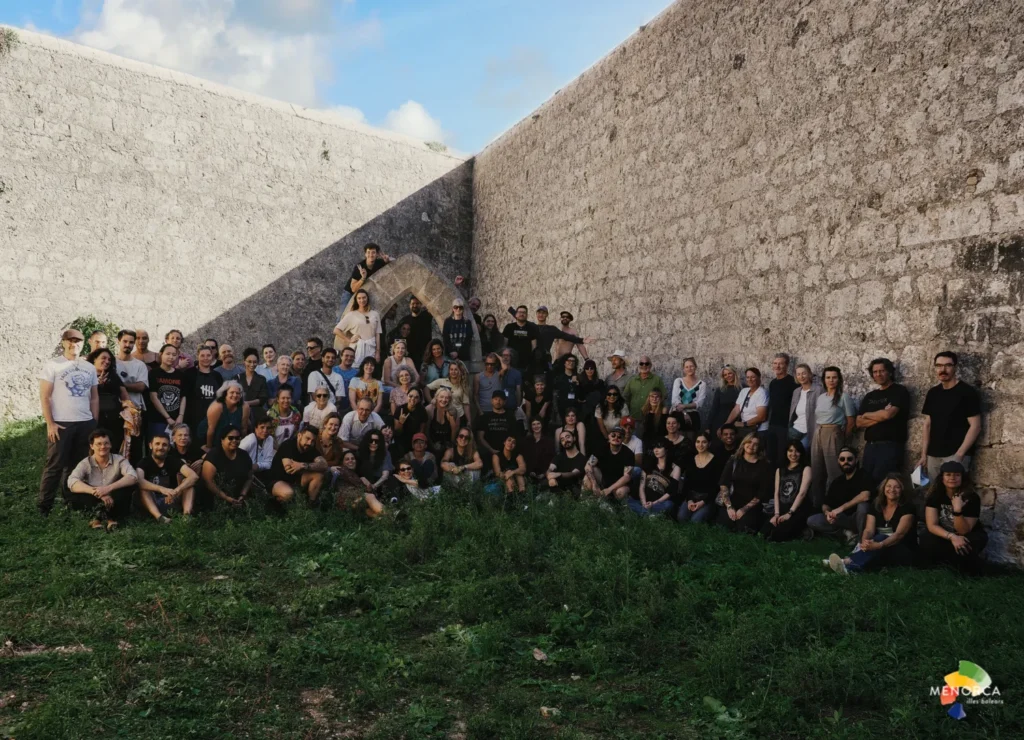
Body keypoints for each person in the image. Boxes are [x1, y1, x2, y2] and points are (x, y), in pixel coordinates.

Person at [38, 328, 100, 516]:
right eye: (70, 340)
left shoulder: (89, 367)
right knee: (55, 466)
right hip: (62, 423)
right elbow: (45, 396)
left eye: (78, 341)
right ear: (64, 343)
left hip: (85, 423)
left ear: (83, 343)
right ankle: (44, 507)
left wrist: (94, 421)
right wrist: (50, 423)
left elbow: (94, 397)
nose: (74, 344)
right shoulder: (53, 365)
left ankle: (72, 503)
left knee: (77, 466)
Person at [826, 474, 917, 574]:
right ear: (884, 488)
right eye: (889, 486)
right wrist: (865, 542)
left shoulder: (908, 508)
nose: (892, 489)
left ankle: (848, 565)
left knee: (881, 538)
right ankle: (848, 564)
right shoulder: (876, 505)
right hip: (881, 547)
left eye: (897, 487)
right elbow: (869, 530)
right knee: (874, 545)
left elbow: (899, 535)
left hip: (902, 548)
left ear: (902, 489)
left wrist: (879, 545)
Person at [918, 352, 982, 482]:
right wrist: (924, 455)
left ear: (955, 367)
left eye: (948, 365)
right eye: (939, 366)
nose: (943, 369)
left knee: (955, 491)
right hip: (933, 455)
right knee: (932, 490)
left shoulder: (967, 392)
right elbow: (927, 425)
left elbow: (976, 426)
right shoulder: (933, 393)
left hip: (955, 454)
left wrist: (959, 455)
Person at [920, 460, 987, 572]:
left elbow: (963, 531)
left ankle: (962, 567)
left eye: (957, 475)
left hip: (968, 534)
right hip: (945, 533)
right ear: (942, 478)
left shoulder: (972, 498)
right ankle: (938, 565)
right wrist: (952, 537)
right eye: (948, 474)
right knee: (926, 537)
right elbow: (932, 525)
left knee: (965, 546)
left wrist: (957, 510)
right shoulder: (935, 496)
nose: (952, 478)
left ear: (962, 478)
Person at [66, 428, 136, 530]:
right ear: (92, 446)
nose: (103, 447)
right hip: (93, 498)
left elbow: (133, 476)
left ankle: (101, 519)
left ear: (110, 445)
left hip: (112, 498)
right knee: (76, 490)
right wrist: (96, 492)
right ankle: (105, 519)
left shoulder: (119, 460)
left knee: (127, 487)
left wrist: (108, 489)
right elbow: (72, 481)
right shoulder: (85, 463)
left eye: (106, 443)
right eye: (98, 444)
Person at [856, 358, 911, 485]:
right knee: (867, 483)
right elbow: (858, 422)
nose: (878, 374)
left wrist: (867, 415)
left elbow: (888, 414)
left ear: (890, 372)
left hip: (890, 446)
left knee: (885, 483)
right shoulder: (870, 396)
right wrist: (880, 416)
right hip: (870, 447)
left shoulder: (899, 391)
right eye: (875, 372)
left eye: (882, 371)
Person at [809, 366, 856, 510]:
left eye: (834, 377)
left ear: (839, 379)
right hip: (818, 432)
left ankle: (836, 506)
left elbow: (851, 421)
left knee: (834, 471)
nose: (831, 380)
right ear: (824, 380)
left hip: (833, 433)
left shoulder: (843, 397)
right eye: (828, 377)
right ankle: (817, 506)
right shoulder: (821, 397)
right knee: (817, 470)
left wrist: (842, 439)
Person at [807, 447, 872, 542]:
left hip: (858, 518)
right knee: (812, 520)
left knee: (863, 507)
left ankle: (860, 540)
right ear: (838, 461)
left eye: (849, 459)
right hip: (841, 519)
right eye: (842, 459)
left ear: (856, 460)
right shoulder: (837, 481)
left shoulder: (863, 475)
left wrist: (841, 508)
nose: (846, 462)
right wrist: (827, 513)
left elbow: (866, 495)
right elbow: (826, 504)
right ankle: (846, 533)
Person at [137, 431, 199, 522]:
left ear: (169, 448)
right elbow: (139, 481)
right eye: (157, 444)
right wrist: (162, 489)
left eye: (164, 445)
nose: (160, 447)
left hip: (171, 499)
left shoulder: (173, 460)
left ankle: (186, 517)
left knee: (189, 486)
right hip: (152, 501)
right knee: (143, 489)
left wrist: (176, 490)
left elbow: (193, 476)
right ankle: (160, 518)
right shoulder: (144, 462)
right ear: (150, 445)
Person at [715, 434, 772, 533]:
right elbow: (724, 484)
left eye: (755, 444)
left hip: (751, 505)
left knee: (744, 528)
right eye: (749, 442)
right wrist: (729, 507)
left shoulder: (764, 465)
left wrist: (744, 509)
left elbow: (762, 492)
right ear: (744, 443)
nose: (751, 445)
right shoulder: (734, 460)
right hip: (732, 501)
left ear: (759, 447)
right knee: (725, 526)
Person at [760, 442, 813, 541]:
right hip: (782, 508)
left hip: (798, 509)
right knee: (764, 532)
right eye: (790, 451)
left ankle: (804, 531)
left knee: (777, 535)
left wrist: (790, 513)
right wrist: (776, 514)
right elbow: (776, 493)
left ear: (801, 453)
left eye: (797, 451)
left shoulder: (806, 469)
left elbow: (802, 493)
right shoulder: (780, 470)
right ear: (786, 452)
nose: (793, 454)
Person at [268, 424, 328, 508]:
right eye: (307, 438)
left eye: (313, 441)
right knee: (288, 493)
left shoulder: (310, 448)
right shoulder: (288, 445)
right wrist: (311, 467)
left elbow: (324, 465)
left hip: (296, 480)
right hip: (278, 480)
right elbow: (289, 469)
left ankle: (311, 505)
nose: (310, 443)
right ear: (299, 435)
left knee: (319, 475)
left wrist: (303, 465)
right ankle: (274, 503)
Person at [89, 347, 130, 454]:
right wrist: (97, 384)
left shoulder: (114, 376)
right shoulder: (86, 375)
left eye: (109, 360)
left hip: (114, 419)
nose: (107, 361)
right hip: (94, 419)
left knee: (113, 448)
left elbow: (125, 395)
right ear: (94, 359)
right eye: (103, 358)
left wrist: (128, 412)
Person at [202, 426, 253, 509]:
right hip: (216, 498)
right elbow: (208, 482)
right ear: (222, 439)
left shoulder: (244, 455)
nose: (234, 441)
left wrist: (242, 495)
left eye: (237, 438)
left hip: (239, 498)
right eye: (230, 438)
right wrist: (226, 498)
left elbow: (249, 478)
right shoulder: (213, 455)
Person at [146, 345, 189, 440]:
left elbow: (183, 397)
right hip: (158, 419)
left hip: (177, 419)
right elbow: (153, 397)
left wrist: (181, 416)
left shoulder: (181, 375)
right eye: (168, 354)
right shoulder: (153, 373)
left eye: (174, 354)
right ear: (161, 354)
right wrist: (167, 417)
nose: (171, 357)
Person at [678, 432, 721, 524]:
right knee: (681, 518)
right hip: (692, 496)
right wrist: (689, 500)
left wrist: (702, 502)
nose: (700, 445)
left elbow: (717, 487)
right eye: (698, 442)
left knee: (695, 521)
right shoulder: (691, 459)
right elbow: (686, 483)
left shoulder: (716, 461)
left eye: (704, 442)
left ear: (709, 444)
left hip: (708, 498)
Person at [583, 426, 635, 501]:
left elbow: (627, 477)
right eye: (613, 435)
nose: (616, 438)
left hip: (619, 483)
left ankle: (615, 505)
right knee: (588, 476)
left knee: (621, 492)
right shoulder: (601, 448)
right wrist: (594, 484)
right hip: (603, 479)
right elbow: (587, 466)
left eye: (619, 436)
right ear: (609, 436)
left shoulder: (628, 453)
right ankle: (585, 501)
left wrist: (609, 489)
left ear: (623, 439)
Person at [533, 306, 589, 374]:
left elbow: (570, 338)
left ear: (547, 314)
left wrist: (582, 341)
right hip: (544, 361)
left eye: (543, 313)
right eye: (539, 312)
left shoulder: (553, 329)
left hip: (554, 361)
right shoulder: (532, 327)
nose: (541, 314)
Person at [198, 380, 250, 454]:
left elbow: (244, 428)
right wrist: (209, 448)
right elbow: (211, 430)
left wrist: (240, 446)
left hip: (232, 440)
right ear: (224, 394)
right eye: (232, 392)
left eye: (238, 393)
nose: (235, 395)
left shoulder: (245, 407)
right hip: (209, 438)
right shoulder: (217, 407)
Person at [766, 354, 798, 468]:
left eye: (780, 363)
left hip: (785, 427)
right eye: (775, 363)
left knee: (782, 457)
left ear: (787, 365)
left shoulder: (793, 382)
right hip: (772, 425)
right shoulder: (773, 383)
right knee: (770, 457)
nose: (777, 366)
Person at [631, 438, 678, 516]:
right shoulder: (648, 465)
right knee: (629, 500)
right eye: (654, 447)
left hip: (659, 503)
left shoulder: (675, 468)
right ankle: (649, 514)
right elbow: (641, 487)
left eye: (659, 447)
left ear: (666, 449)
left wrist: (653, 503)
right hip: (644, 501)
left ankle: (644, 513)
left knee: (669, 505)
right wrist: (644, 503)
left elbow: (671, 492)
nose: (656, 450)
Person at [334, 289, 383, 365]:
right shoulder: (351, 314)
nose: (362, 300)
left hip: (371, 348)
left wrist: (378, 352)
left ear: (367, 298)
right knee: (355, 368)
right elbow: (336, 330)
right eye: (359, 298)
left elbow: (377, 334)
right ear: (356, 300)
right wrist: (349, 340)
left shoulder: (375, 314)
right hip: (356, 348)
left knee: (370, 368)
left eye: (364, 297)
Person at [725, 367, 768, 442]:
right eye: (748, 377)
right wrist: (726, 425)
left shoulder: (762, 393)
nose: (750, 379)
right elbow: (736, 410)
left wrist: (743, 424)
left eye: (753, 377)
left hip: (758, 430)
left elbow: (761, 417)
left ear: (759, 378)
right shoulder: (744, 391)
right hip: (745, 430)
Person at [475, 390, 520, 464]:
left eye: (500, 399)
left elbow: (514, 436)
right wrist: (491, 450)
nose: (498, 401)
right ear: (491, 401)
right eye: (495, 399)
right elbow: (480, 438)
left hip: (506, 453)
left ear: (504, 402)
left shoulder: (510, 417)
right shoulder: (484, 417)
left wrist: (506, 450)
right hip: (488, 452)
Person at [114, 329, 149, 421]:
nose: (128, 345)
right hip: (114, 409)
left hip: (134, 410)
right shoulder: (111, 362)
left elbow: (141, 387)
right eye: (125, 341)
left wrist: (119, 385)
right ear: (118, 341)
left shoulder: (140, 365)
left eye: (131, 342)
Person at [622, 356, 667, 424]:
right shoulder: (632, 380)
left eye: (647, 363)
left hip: (651, 419)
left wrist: (655, 409)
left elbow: (664, 396)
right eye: (641, 363)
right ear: (639, 365)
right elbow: (625, 397)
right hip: (634, 418)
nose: (644, 365)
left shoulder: (657, 380)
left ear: (650, 365)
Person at [669, 358, 706, 433]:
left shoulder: (701, 384)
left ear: (695, 367)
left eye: (691, 366)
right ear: (684, 369)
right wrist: (685, 413)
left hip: (693, 414)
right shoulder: (678, 381)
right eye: (687, 367)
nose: (689, 369)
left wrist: (684, 406)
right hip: (678, 413)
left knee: (691, 436)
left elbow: (699, 403)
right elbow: (675, 401)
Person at [788, 363, 819, 452]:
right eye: (798, 374)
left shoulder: (818, 390)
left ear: (809, 374)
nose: (801, 376)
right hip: (795, 430)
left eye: (804, 373)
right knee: (793, 455)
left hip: (809, 432)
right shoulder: (796, 391)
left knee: (803, 454)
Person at [239, 413, 276, 484]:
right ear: (255, 428)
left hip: (260, 474)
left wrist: (257, 466)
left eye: (268, 428)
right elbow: (237, 458)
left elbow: (268, 463)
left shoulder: (269, 439)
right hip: (246, 475)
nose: (265, 431)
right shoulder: (250, 440)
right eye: (262, 427)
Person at [392, 388, 428, 457]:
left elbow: (421, 431)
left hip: (415, 439)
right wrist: (401, 422)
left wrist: (416, 443)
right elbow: (397, 432)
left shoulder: (422, 411)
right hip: (401, 438)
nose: (413, 399)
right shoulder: (400, 409)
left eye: (416, 397)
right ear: (407, 396)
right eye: (410, 396)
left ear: (419, 399)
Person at [502, 306, 538, 374]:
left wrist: (533, 361)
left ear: (527, 315)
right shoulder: (509, 327)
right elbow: (504, 345)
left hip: (526, 364)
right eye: (520, 312)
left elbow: (534, 347)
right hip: (511, 363)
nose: (522, 314)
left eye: (524, 312)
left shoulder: (532, 328)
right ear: (516, 314)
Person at [708, 365, 741, 438]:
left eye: (729, 373)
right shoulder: (720, 390)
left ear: (734, 373)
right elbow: (714, 409)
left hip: (737, 423)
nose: (727, 376)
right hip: (720, 422)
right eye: (725, 375)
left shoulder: (743, 388)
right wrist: (707, 426)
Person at [401, 295, 434, 369]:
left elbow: (433, 303)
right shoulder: (405, 320)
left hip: (425, 354)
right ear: (409, 305)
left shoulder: (427, 316)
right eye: (413, 303)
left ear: (421, 305)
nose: (415, 305)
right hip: (410, 355)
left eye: (417, 303)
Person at [425, 387, 458, 458]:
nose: (444, 400)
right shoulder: (429, 409)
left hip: (446, 443)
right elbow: (426, 430)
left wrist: (450, 445)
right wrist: (431, 445)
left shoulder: (452, 411)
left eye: (447, 398)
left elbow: (454, 430)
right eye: (441, 397)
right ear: (436, 397)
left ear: (450, 399)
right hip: (431, 442)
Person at [522, 418, 556, 484]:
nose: (536, 426)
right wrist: (530, 471)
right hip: (529, 473)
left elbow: (552, 458)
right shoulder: (526, 441)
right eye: (533, 424)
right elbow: (525, 458)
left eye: (538, 424)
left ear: (542, 425)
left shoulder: (549, 441)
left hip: (545, 473)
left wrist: (544, 473)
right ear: (531, 426)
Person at [443, 297, 475, 362]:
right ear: (453, 308)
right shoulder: (448, 321)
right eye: (456, 307)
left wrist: (458, 353)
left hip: (463, 356)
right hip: (450, 356)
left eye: (460, 307)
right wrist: (452, 351)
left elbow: (468, 340)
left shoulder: (467, 322)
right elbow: (446, 338)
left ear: (463, 309)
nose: (458, 309)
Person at [551, 354, 581, 423]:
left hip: (575, 407)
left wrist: (577, 384)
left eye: (573, 361)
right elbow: (555, 395)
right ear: (564, 363)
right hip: (562, 407)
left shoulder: (578, 377)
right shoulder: (559, 378)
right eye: (569, 360)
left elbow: (580, 395)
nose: (571, 363)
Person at [474, 353, 505, 418]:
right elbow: (475, 395)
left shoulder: (498, 375)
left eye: (492, 364)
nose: (489, 366)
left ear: (495, 364)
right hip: (483, 410)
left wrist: (497, 355)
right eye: (487, 364)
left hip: (497, 410)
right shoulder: (478, 376)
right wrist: (479, 411)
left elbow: (505, 367)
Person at [333, 347, 359, 414]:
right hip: (335, 406)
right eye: (346, 355)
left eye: (352, 356)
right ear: (341, 356)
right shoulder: (333, 371)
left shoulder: (357, 373)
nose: (349, 358)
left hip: (351, 407)